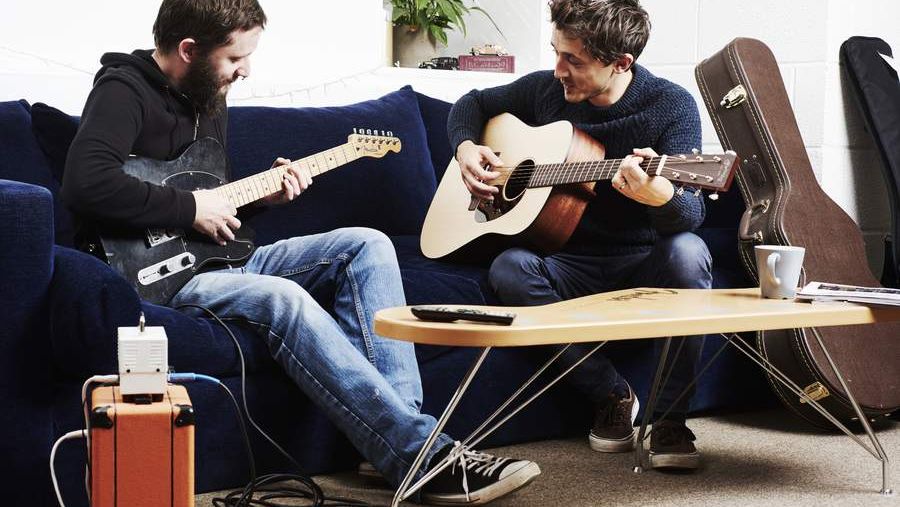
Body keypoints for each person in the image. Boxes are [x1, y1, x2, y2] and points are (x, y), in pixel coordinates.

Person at [61, 0, 540, 503]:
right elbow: (86, 183)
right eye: (234, 59)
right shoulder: (122, 89)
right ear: (189, 49)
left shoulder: (209, 94)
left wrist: (261, 199)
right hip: (162, 277)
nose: (245, 71)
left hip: (218, 257)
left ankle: (399, 445)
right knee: (282, 298)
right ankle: (426, 457)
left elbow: (210, 210)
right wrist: (190, 208)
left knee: (367, 244)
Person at [447, 0, 710, 470]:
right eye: (556, 53)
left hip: (640, 262)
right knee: (509, 267)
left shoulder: (671, 105)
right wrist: (466, 147)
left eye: (574, 60)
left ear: (621, 63)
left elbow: (690, 214)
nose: (558, 70)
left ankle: (671, 420)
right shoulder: (547, 92)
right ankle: (611, 394)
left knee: (689, 253)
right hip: (569, 262)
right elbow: (472, 103)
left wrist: (658, 196)